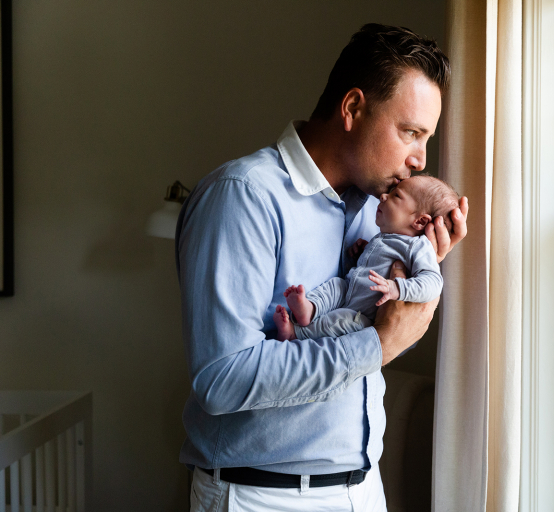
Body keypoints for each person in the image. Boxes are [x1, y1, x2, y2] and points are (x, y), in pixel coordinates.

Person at [176, 23, 469, 512]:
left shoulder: (382, 215)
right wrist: (377, 345)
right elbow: (222, 379)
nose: (420, 159)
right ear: (353, 109)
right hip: (261, 498)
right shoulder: (243, 196)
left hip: (362, 488)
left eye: (426, 138)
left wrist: (423, 269)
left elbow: (383, 326)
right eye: (410, 133)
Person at [274, 175, 460, 343]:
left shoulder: (419, 247)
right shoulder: (385, 236)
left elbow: (433, 282)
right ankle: (310, 307)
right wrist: (364, 252)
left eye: (396, 196)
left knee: (340, 320)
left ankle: (296, 333)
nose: (383, 197)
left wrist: (396, 288)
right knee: (335, 286)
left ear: (419, 221)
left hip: (363, 315)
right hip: (349, 289)